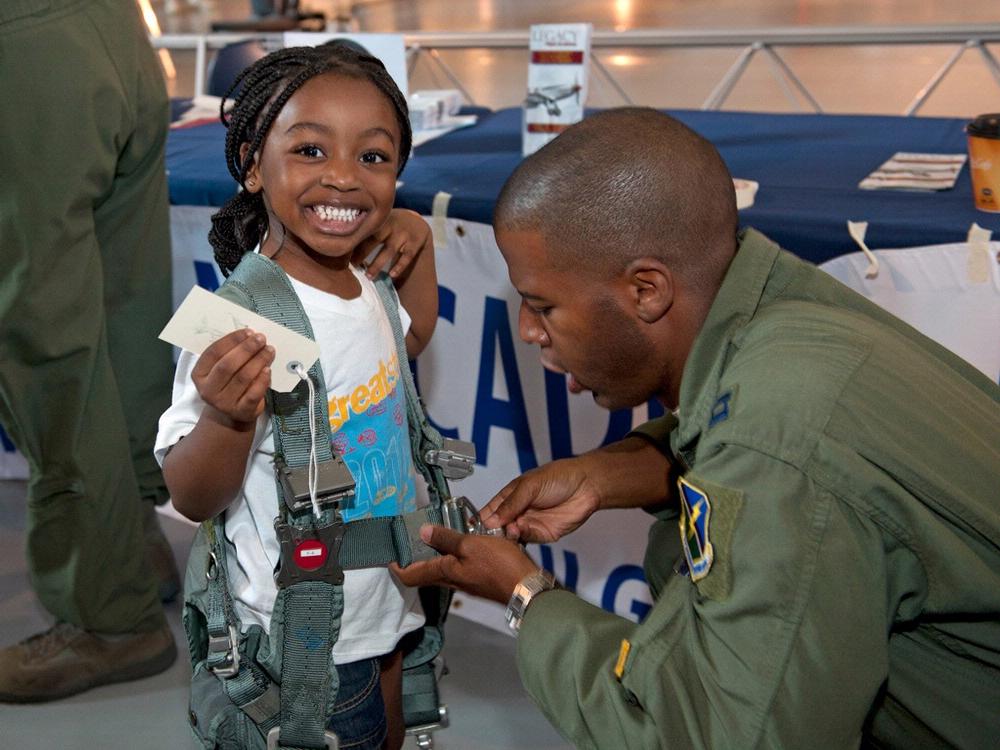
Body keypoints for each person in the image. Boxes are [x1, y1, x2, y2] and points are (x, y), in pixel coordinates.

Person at [393, 107, 1000, 748]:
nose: (527, 330)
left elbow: (712, 734)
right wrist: (619, 470)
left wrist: (525, 594)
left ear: (647, 290)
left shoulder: (777, 441)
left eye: (543, 305)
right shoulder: (785, 314)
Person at [156, 42, 437, 749]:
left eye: (373, 158)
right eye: (311, 151)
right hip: (303, 639)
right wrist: (226, 414)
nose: (343, 178)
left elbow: (407, 344)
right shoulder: (237, 319)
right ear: (253, 163)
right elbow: (192, 495)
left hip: (388, 604)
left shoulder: (370, 281)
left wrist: (421, 243)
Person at [0, 0, 179, 702]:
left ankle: (108, 614)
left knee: (44, 334)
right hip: (114, 28)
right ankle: (130, 541)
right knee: (125, 303)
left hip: (21, 45)